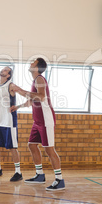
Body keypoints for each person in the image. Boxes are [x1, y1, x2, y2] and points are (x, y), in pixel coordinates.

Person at [10, 58, 65, 191]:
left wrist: (19, 90)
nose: (30, 63)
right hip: (38, 121)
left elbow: (41, 97)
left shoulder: (40, 79)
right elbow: (33, 100)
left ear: (37, 67)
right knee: (32, 145)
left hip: (46, 120)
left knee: (49, 149)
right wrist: (18, 106)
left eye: (33, 62)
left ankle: (59, 180)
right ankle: (40, 175)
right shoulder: (35, 81)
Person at [0, 67, 23, 182]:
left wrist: (19, 106)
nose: (2, 70)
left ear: (8, 75)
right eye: (3, 69)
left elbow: (26, 94)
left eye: (5, 70)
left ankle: (18, 172)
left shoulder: (11, 86)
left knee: (12, 147)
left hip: (9, 121)